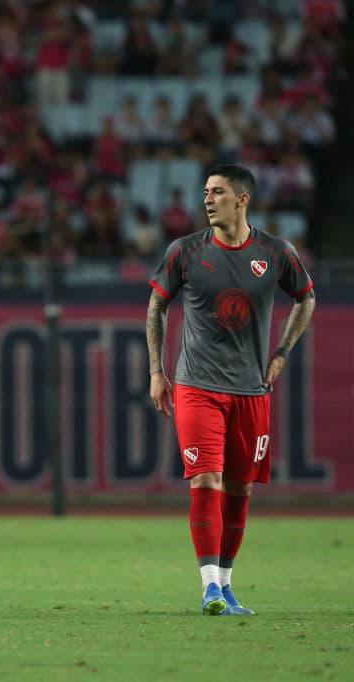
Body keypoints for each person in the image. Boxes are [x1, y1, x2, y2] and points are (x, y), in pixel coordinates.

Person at [146, 164, 315, 616]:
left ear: (241, 200)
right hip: (197, 387)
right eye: (205, 191)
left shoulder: (275, 252)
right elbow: (157, 305)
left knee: (240, 491)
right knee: (206, 480)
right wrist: (157, 372)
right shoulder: (185, 251)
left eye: (216, 192)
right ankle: (209, 588)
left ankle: (226, 583)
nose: (206, 199)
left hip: (251, 392)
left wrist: (281, 352)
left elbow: (306, 297)